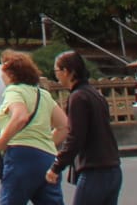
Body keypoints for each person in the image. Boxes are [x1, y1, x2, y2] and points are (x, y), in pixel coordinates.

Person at [0, 49, 67, 205]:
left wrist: (2, 140)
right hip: (47, 158)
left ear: (11, 74)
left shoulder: (14, 91)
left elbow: (20, 116)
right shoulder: (43, 95)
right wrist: (44, 145)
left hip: (20, 156)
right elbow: (64, 126)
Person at [51, 50, 122, 205]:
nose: (56, 76)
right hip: (112, 168)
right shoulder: (95, 94)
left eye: (57, 71)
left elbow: (75, 137)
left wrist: (57, 166)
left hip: (94, 171)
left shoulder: (78, 97)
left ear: (68, 72)